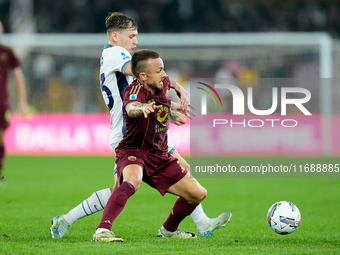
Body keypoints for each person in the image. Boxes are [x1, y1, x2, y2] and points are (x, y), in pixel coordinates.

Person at [50, 12, 231, 239]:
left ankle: (199, 224)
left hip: (146, 133)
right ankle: (73, 220)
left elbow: (147, 90)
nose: (135, 41)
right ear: (115, 36)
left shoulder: (121, 60)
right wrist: (174, 84)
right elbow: (141, 74)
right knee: (124, 187)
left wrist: (170, 110)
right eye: (131, 36)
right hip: (129, 135)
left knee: (180, 170)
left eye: (137, 36)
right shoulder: (116, 53)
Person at [92, 49, 208, 241]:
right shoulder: (133, 91)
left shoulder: (164, 84)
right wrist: (141, 107)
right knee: (133, 181)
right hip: (134, 150)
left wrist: (173, 114)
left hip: (160, 154)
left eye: (163, 69)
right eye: (160, 70)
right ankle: (102, 231)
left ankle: (168, 230)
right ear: (143, 76)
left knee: (198, 194)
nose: (164, 74)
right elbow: (131, 108)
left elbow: (162, 105)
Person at [0, 21, 27, 184]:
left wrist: (22, 101)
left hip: (1, 102)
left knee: (1, 138)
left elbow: (18, 77)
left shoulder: (7, 52)